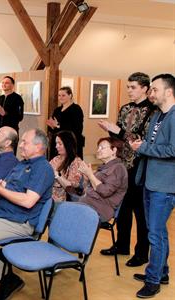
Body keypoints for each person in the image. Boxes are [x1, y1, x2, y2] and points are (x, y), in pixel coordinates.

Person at [0, 128, 54, 300]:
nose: (21, 146)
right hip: (1, 212)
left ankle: (8, 280)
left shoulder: (42, 168)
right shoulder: (22, 164)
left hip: (19, 220)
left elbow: (28, 201)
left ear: (39, 146)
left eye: (25, 142)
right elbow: (6, 188)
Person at [98, 72, 155, 267]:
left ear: (145, 88)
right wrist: (110, 130)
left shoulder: (152, 111)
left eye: (133, 87)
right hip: (122, 164)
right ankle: (122, 245)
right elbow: (119, 136)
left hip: (140, 165)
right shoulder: (125, 108)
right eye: (128, 87)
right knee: (123, 207)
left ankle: (141, 253)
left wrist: (118, 131)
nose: (129, 90)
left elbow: (142, 140)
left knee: (140, 211)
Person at [130, 74, 175, 298]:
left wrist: (143, 148)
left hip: (164, 186)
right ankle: (161, 271)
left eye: (155, 89)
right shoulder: (158, 116)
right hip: (149, 180)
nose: (151, 93)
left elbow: (172, 150)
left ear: (168, 92)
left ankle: (153, 279)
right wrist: (142, 145)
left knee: (155, 234)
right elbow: (154, 145)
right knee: (158, 232)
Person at [78, 137, 128, 222]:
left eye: (102, 147)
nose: (98, 150)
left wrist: (90, 175)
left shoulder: (118, 168)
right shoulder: (103, 167)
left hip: (100, 209)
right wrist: (87, 178)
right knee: (61, 210)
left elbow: (105, 191)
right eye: (98, 148)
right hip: (88, 204)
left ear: (114, 150)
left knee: (63, 212)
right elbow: (88, 190)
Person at [47, 86, 84, 159]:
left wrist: (58, 126)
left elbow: (78, 129)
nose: (60, 97)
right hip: (57, 142)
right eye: (59, 95)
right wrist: (52, 126)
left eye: (63, 95)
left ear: (70, 95)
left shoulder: (76, 109)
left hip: (70, 143)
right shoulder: (57, 110)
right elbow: (52, 128)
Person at [49, 130, 84, 202]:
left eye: (60, 144)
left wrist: (57, 175)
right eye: (56, 143)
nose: (56, 146)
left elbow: (70, 187)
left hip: (62, 200)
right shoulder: (56, 159)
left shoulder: (76, 162)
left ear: (68, 144)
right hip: (49, 196)